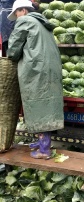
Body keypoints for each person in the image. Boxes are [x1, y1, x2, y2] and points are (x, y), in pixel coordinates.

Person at [7, 0, 64, 159]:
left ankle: (44, 150)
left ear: (23, 11)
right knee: (46, 104)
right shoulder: (43, 24)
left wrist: (11, 56)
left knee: (38, 105)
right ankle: (42, 143)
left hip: (36, 70)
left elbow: (13, 49)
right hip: (50, 69)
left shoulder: (25, 21)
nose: (16, 17)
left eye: (16, 13)